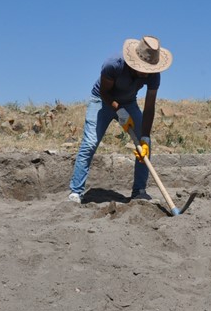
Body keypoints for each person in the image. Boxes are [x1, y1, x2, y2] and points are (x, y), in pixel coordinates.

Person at [68, 36, 173, 203]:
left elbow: (149, 107)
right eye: (143, 68)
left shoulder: (154, 75)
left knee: (145, 145)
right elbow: (104, 92)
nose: (147, 73)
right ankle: (76, 192)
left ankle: (139, 190)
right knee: (90, 143)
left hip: (129, 102)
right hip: (102, 101)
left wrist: (144, 137)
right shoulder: (113, 64)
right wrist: (119, 111)